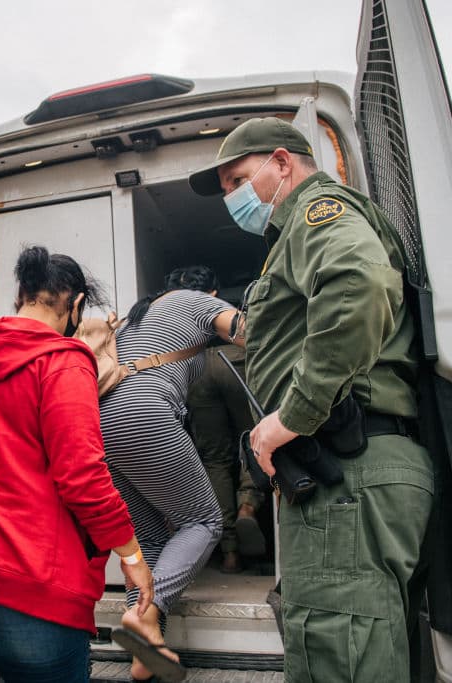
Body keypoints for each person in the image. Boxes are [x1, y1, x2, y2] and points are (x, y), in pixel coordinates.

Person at [189, 117, 433, 681]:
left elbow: (359, 282)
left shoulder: (315, 212)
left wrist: (291, 417)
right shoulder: (293, 235)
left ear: (282, 162)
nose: (232, 198)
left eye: (237, 180)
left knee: (338, 651)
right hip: (348, 467)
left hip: (349, 467)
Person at [0, 246, 157, 682]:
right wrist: (131, 555)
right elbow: (82, 477)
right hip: (26, 583)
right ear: (75, 305)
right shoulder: (63, 363)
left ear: (21, 293)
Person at [98, 265, 241, 681]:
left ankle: (146, 650)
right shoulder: (194, 302)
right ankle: (149, 610)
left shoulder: (134, 322)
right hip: (142, 413)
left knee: (149, 541)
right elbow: (254, 332)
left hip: (102, 426)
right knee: (203, 521)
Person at [187, 344, 267, 573]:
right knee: (253, 439)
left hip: (197, 365)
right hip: (235, 356)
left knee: (215, 460)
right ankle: (248, 505)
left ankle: (229, 552)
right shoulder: (228, 305)